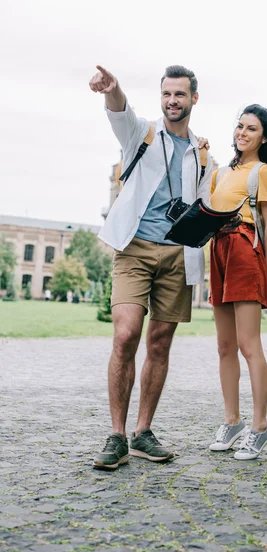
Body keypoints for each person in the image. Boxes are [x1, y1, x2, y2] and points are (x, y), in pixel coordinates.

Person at [89, 64, 212, 470]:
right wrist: (114, 89)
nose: (172, 101)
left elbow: (206, 203)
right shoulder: (141, 133)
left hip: (179, 253)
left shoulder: (202, 152)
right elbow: (119, 111)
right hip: (135, 249)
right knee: (126, 335)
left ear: (194, 98)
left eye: (180, 94)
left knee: (159, 344)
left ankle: (142, 433)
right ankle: (116, 435)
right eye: (166, 94)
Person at [208, 104, 267, 460]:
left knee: (249, 345)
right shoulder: (221, 173)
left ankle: (260, 426)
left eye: (251, 129)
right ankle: (231, 420)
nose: (242, 133)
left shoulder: (262, 172)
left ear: (263, 137)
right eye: (239, 126)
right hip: (218, 250)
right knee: (224, 346)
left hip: (246, 251)